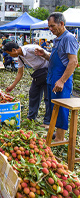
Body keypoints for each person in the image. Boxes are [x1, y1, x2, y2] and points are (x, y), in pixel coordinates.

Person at [35, 12, 79, 141]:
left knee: (61, 108)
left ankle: (60, 137)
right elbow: (57, 59)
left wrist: (62, 80)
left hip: (61, 79)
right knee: (53, 107)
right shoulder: (58, 39)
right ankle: (54, 132)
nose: (50, 29)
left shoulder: (68, 38)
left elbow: (73, 62)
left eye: (53, 26)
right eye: (49, 26)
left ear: (61, 24)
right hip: (52, 78)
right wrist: (44, 55)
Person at [4, 41, 50, 129]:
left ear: (14, 50)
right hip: (39, 74)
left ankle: (47, 122)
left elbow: (51, 57)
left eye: (10, 53)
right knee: (33, 94)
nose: (10, 56)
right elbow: (20, 73)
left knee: (48, 98)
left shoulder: (32, 49)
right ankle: (31, 117)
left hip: (48, 72)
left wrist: (44, 54)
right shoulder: (20, 57)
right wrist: (11, 87)